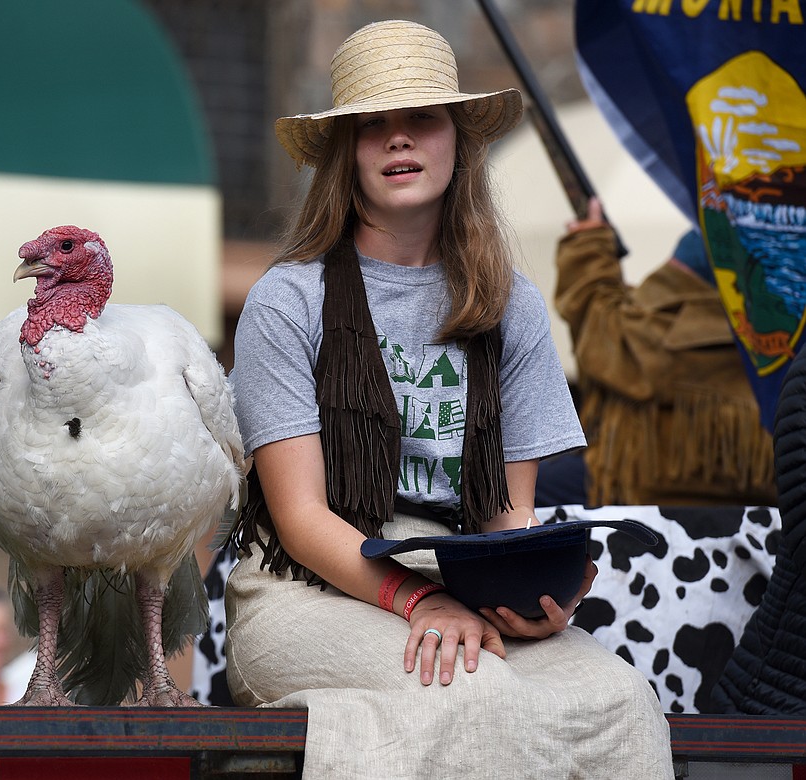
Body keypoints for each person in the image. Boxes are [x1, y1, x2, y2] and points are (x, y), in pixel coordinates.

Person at [223, 20, 672, 778]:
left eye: (421, 119)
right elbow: (299, 522)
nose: (398, 140)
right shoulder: (286, 301)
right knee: (471, 695)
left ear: (457, 140)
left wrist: (531, 597)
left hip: (458, 578)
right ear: (347, 155)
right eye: (373, 127)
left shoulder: (513, 306)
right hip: (304, 590)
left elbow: (504, 520)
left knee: (620, 702)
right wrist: (416, 600)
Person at [538, 198, 776, 507]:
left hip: (633, 493)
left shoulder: (648, 335)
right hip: (765, 509)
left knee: (516, 500)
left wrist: (589, 244)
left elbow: (596, 314)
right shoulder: (780, 339)